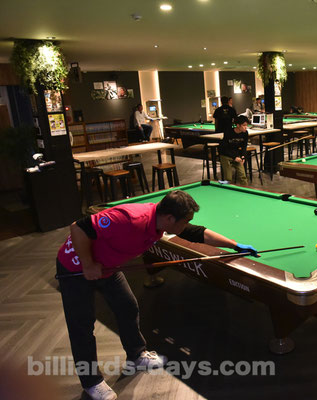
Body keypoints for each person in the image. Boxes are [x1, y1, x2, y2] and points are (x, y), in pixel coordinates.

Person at [56, 190, 257, 400]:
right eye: (185, 220)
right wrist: (88, 264)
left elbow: (197, 233)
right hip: (75, 269)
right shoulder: (129, 218)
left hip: (108, 267)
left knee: (127, 307)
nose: (187, 225)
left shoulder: (160, 222)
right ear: (170, 218)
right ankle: (92, 382)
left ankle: (136, 355)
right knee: (82, 327)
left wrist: (234, 245)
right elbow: (78, 227)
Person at [219, 115, 250, 185]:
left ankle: (246, 189)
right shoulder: (228, 132)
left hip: (236, 154)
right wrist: (234, 157)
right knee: (228, 178)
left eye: (246, 125)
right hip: (225, 155)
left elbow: (244, 146)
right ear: (238, 125)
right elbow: (224, 148)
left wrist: (243, 156)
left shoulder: (245, 133)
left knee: (243, 176)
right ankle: (226, 189)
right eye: (244, 125)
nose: (246, 127)